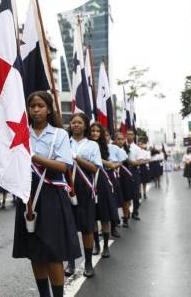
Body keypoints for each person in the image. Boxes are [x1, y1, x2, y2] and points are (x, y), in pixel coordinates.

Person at [12, 91, 81, 297]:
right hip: (28, 194)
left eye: (40, 105)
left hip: (52, 194)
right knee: (35, 252)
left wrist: (33, 157)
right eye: (32, 106)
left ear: (49, 109)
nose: (36, 110)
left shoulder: (59, 134)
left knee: (53, 252)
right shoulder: (22, 133)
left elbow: (63, 166)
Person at [65, 113, 102, 278]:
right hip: (66, 186)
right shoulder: (64, 142)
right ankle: (71, 262)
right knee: (69, 227)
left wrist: (77, 159)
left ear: (85, 125)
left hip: (85, 187)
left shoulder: (92, 145)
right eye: (73, 122)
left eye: (79, 122)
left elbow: (95, 168)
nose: (76, 125)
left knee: (87, 227)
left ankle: (88, 262)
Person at [90, 123, 120, 258]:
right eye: (93, 131)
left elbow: (112, 164)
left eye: (98, 131)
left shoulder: (106, 147)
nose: (95, 133)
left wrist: (103, 161)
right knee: (93, 215)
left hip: (101, 180)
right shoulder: (85, 144)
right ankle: (96, 244)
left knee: (104, 214)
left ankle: (106, 246)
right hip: (87, 179)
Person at [105, 130, 126, 238]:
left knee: (113, 201)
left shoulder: (115, 148)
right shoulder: (95, 146)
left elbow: (121, 161)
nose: (105, 137)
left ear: (110, 137)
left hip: (111, 174)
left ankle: (113, 227)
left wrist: (113, 165)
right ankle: (105, 227)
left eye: (107, 135)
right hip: (98, 173)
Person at [126, 130, 146, 221]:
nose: (129, 136)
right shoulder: (122, 146)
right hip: (123, 170)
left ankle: (135, 212)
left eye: (131, 134)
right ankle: (126, 213)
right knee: (126, 193)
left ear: (133, 136)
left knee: (135, 193)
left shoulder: (137, 148)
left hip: (134, 170)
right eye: (127, 134)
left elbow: (141, 160)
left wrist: (134, 163)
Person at [114, 132, 134, 228]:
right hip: (114, 174)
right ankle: (115, 219)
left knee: (125, 198)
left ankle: (125, 218)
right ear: (114, 139)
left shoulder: (126, 149)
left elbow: (130, 162)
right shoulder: (111, 148)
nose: (120, 141)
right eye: (118, 139)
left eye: (122, 139)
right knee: (116, 198)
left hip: (124, 175)